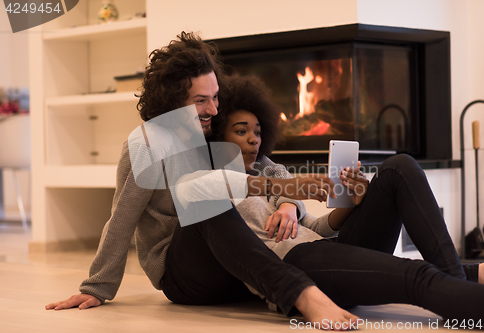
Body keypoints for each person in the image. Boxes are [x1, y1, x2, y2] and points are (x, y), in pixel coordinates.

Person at [45, 31, 361, 330]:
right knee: (203, 198)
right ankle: (299, 295)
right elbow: (122, 217)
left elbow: (270, 169)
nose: (212, 108)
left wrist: (291, 203)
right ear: (172, 102)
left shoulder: (211, 131)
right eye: (200, 100)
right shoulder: (149, 144)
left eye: (215, 97)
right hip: (185, 273)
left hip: (235, 265)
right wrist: (97, 287)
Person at [211, 75, 484, 322]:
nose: (254, 139)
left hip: (326, 250)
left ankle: (459, 285)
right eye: (241, 131)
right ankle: (467, 287)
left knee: (400, 167)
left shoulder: (270, 171)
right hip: (298, 268)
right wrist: (287, 194)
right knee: (415, 273)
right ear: (218, 137)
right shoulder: (214, 187)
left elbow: (319, 228)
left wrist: (351, 202)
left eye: (258, 132)